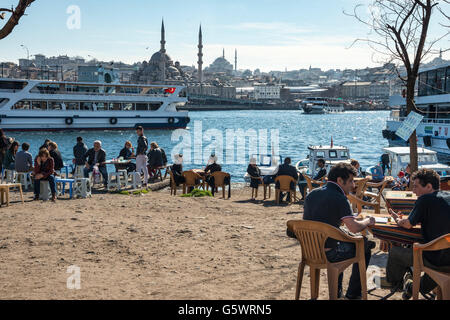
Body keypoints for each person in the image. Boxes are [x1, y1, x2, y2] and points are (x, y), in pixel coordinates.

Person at [303, 163, 376, 300]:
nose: (353, 185)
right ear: (339, 181)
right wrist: (368, 221)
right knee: (366, 246)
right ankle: (353, 294)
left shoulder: (312, 194)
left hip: (310, 251)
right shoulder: (340, 198)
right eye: (350, 181)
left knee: (340, 240)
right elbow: (354, 228)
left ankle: (337, 293)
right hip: (330, 254)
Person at [383, 169, 450, 299]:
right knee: (434, 273)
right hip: (447, 258)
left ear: (429, 186)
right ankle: (411, 287)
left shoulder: (424, 199)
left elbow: (408, 224)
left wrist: (397, 219)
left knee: (395, 253)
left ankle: (395, 283)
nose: (413, 191)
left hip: (435, 260)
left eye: (416, 186)